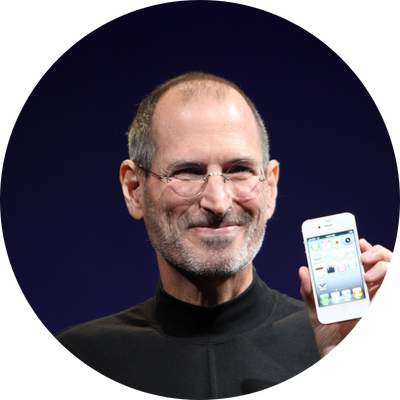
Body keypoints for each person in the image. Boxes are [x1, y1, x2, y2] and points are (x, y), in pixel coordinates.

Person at [54, 72, 392, 398]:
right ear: (134, 189)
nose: (218, 202)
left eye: (240, 170)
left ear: (270, 188)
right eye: (187, 171)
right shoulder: (84, 355)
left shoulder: (332, 338)